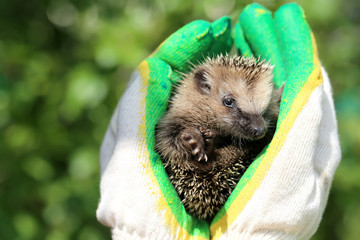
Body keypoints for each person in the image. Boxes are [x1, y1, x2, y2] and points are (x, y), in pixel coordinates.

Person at [96, 3, 340, 239]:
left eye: (263, 111)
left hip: (230, 168)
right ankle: (196, 143)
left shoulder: (255, 119)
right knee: (178, 138)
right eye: (231, 104)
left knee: (248, 144)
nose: (257, 126)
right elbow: (170, 151)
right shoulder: (186, 111)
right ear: (203, 85)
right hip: (203, 170)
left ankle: (201, 142)